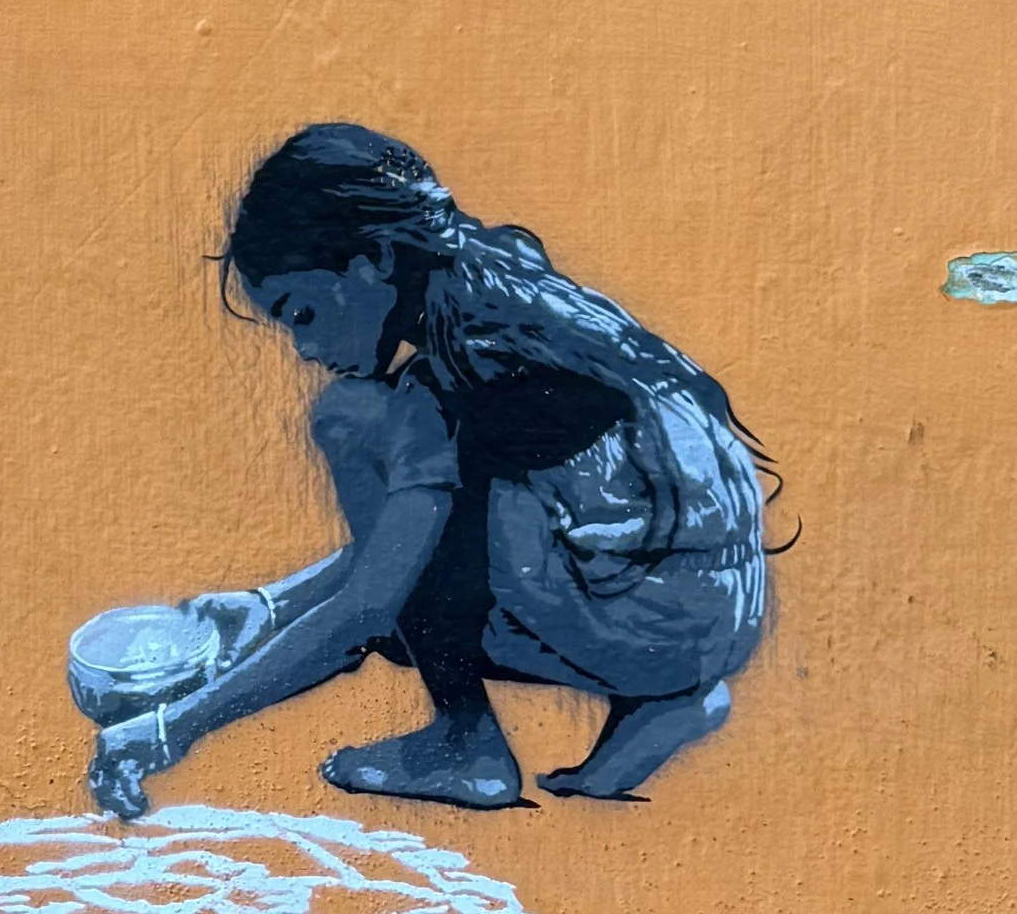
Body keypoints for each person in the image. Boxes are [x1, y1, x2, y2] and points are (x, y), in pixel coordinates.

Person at [70, 126, 770, 819]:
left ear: (372, 260)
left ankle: (467, 743)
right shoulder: (502, 279)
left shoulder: (448, 382)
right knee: (441, 511)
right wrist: (269, 604)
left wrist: (171, 729)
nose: (306, 347)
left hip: (647, 621)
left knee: (348, 419)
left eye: (304, 313)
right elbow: (448, 533)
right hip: (716, 611)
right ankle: (669, 697)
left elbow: (372, 606)